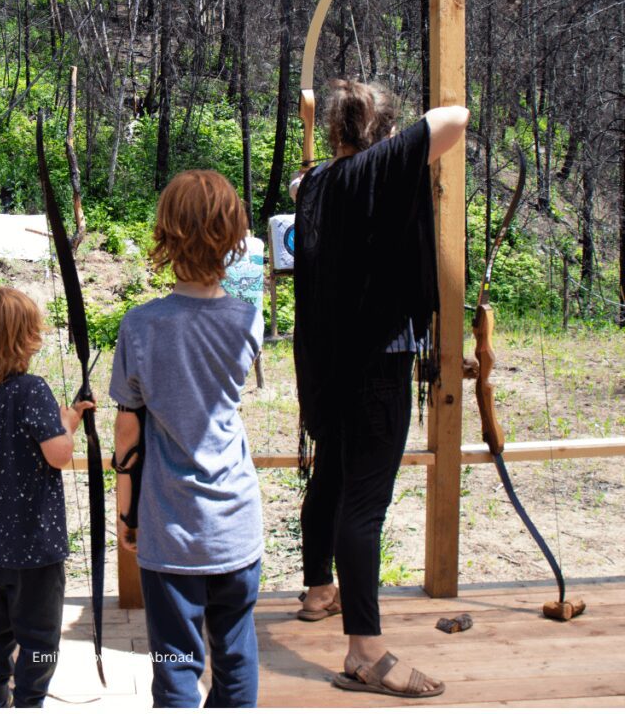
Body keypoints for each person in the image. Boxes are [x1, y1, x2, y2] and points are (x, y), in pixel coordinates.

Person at [292, 79, 469, 699]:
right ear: (382, 136)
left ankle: (320, 591)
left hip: (330, 371)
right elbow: (456, 116)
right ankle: (365, 652)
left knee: (335, 481)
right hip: (375, 368)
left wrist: (337, 128)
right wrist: (389, 142)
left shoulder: (314, 186)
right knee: (363, 505)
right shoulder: (378, 171)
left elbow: (305, 176)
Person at [109, 169, 264, 708]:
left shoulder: (141, 325)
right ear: (235, 236)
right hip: (237, 526)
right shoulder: (247, 320)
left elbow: (128, 431)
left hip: (170, 529)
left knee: (176, 664)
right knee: (237, 656)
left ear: (166, 235)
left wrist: (127, 516)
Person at [0, 286, 92, 708]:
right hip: (34, 544)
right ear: (27, 338)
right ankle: (30, 701)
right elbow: (57, 454)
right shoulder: (32, 389)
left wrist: (66, 416)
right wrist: (68, 427)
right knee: (39, 636)